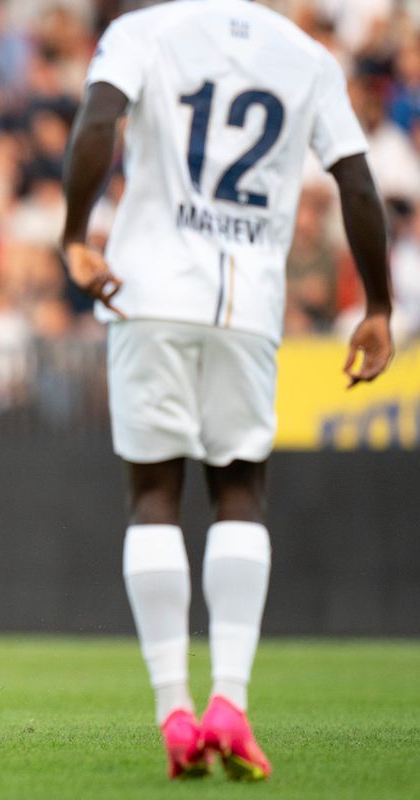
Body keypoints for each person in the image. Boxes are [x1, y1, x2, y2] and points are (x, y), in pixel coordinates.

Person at [60, 0, 393, 782]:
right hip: (248, 306)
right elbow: (358, 182)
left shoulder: (144, 31)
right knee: (241, 491)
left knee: (154, 500)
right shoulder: (306, 55)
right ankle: (231, 703)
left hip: (149, 293)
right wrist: (377, 306)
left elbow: (98, 122)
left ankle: (176, 710)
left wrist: (76, 235)